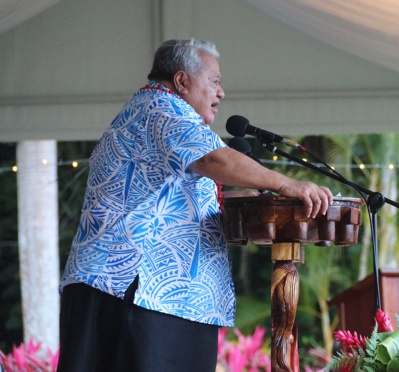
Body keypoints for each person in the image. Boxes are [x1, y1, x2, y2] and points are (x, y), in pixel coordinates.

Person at [57, 38, 333, 372]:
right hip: (134, 290)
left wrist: (245, 204)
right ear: (182, 80)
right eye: (214, 81)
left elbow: (175, 199)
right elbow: (214, 159)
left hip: (149, 297)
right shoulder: (161, 109)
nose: (221, 92)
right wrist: (287, 183)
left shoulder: (158, 115)